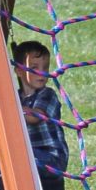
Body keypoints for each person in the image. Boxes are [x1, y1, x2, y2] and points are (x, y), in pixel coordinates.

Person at [13, 40, 70, 178]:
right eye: (34, 67)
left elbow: (34, 117)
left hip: (51, 156)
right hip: (30, 154)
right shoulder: (17, 97)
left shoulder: (47, 94)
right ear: (19, 71)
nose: (42, 73)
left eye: (45, 68)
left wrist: (9, 105)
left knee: (23, 163)